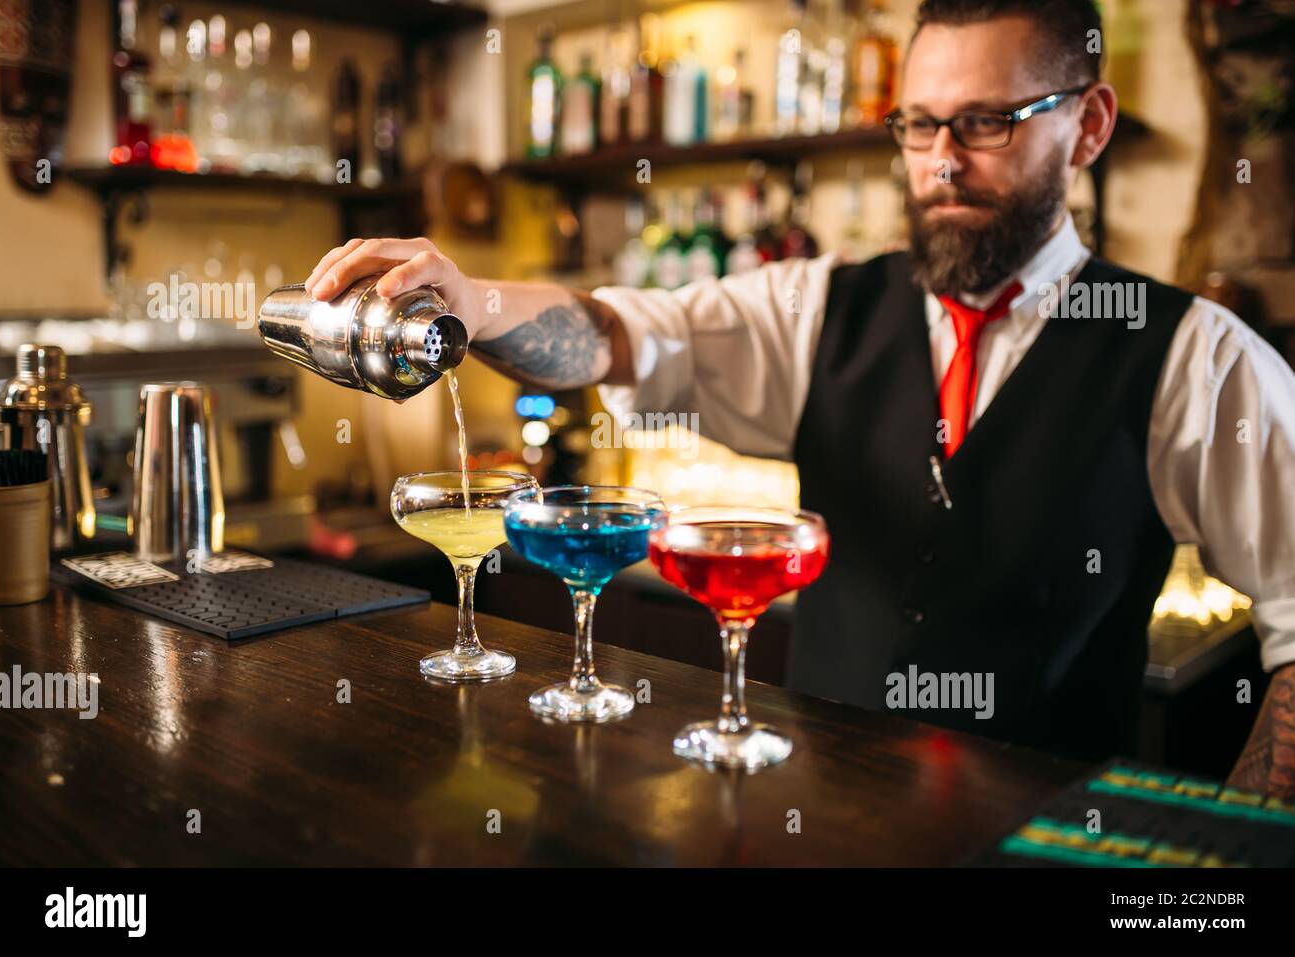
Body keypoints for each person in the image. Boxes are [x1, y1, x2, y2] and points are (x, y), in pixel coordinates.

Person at [305, 0, 1295, 792]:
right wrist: (473, 303)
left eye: (986, 122)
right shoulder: (818, 306)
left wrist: (1245, 845)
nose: (939, 160)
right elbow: (613, 337)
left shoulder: (1193, 355)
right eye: (916, 123)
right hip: (819, 825)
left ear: (1088, 126)